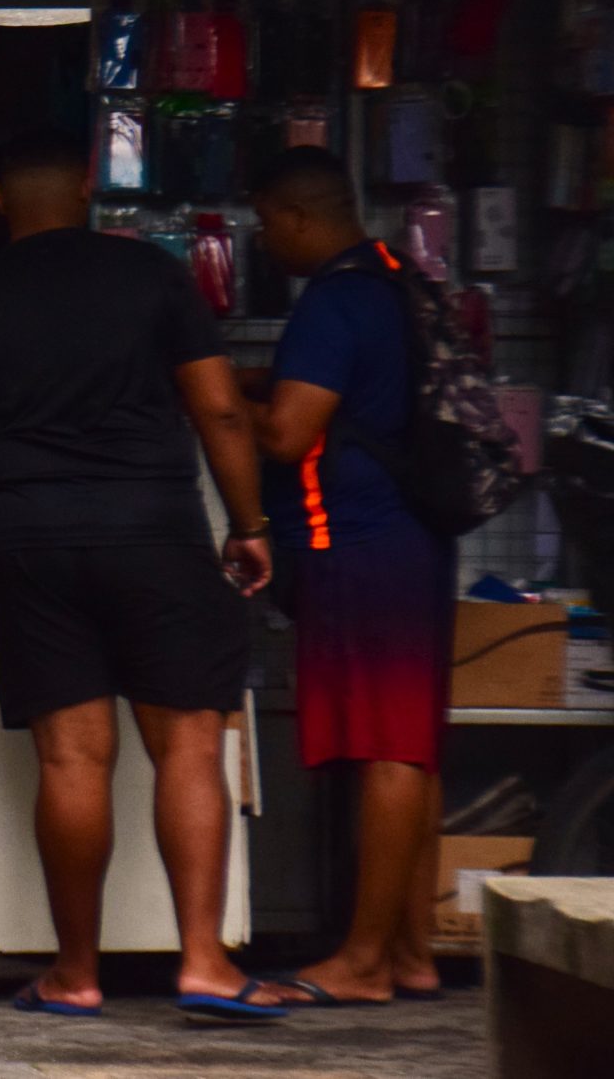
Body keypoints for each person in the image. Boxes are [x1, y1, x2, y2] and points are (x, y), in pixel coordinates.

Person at [0, 131, 281, 1022]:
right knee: (190, 747)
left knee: (71, 758)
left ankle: (75, 972)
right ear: (87, 186)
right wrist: (250, 524)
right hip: (156, 530)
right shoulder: (154, 278)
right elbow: (221, 409)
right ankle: (203, 962)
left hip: (34, 540)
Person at [243, 148, 447, 1007]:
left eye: (265, 224)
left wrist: (214, 402)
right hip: (409, 541)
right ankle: (408, 951)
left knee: (389, 749)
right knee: (406, 750)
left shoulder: (333, 299)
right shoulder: (396, 280)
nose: (263, 241)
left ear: (296, 217)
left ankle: (364, 959)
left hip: (361, 545)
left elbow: (288, 435)